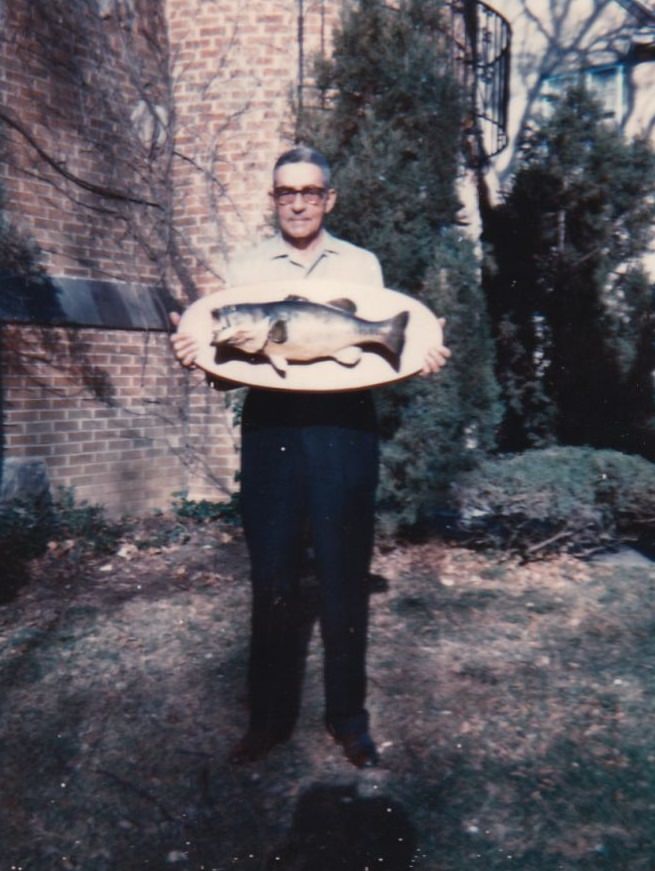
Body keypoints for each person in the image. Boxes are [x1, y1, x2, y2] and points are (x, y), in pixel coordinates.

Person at [171, 146, 450, 768]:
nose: (297, 202)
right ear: (274, 199)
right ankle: (267, 719)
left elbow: (382, 356)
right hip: (271, 431)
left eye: (310, 191)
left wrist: (422, 357)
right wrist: (196, 357)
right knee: (272, 580)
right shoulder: (247, 269)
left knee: (343, 577)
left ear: (329, 198)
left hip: (343, 431)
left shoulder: (360, 265)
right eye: (285, 192)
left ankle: (349, 719)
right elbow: (228, 370)